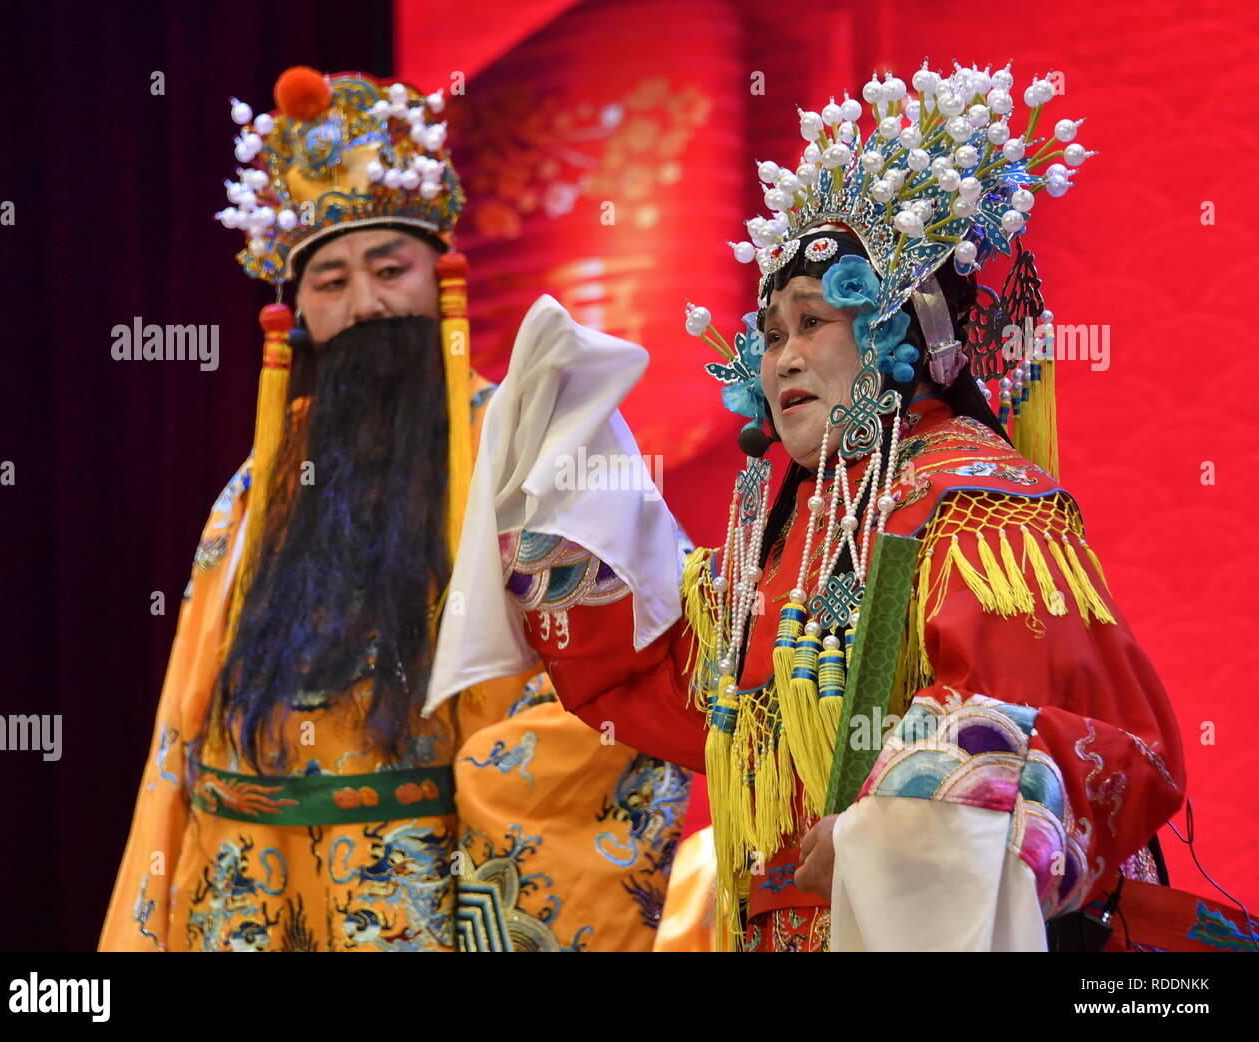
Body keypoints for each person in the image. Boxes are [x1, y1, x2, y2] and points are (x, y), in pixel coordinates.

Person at [428, 61, 1186, 951]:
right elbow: (676, 682)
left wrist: (885, 831)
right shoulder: (780, 534)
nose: (782, 357)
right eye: (771, 332)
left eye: (813, 322)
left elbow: (1095, 741)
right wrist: (566, 475)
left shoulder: (983, 510)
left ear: (898, 328)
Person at [99, 67, 690, 953]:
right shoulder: (255, 489)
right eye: (330, 282)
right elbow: (179, 735)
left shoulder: (533, 445)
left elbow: (624, 678)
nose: (367, 302)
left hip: (432, 892)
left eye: (389, 268)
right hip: (245, 892)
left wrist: (485, 814)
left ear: (440, 278)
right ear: (294, 314)